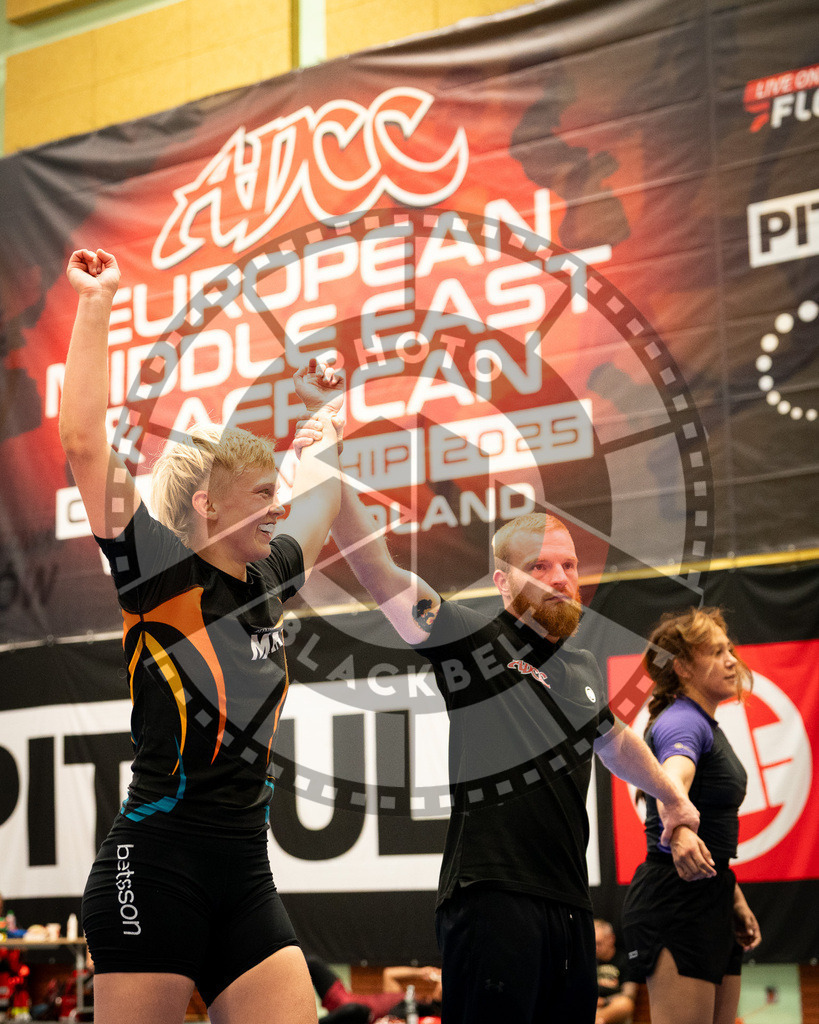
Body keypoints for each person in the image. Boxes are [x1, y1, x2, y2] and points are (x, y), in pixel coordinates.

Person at [291, 419, 706, 1024]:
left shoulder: (581, 668)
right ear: (502, 581)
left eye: (568, 566)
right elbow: (381, 575)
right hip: (491, 897)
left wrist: (671, 800)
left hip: (568, 906)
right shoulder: (469, 637)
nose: (562, 580)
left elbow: (615, 744)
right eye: (541, 567)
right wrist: (328, 477)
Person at [59, 248, 343, 1024]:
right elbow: (84, 442)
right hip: (152, 872)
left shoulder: (267, 578)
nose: (278, 507)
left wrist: (325, 429)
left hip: (245, 874)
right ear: (209, 508)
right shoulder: (159, 572)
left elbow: (317, 505)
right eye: (261, 494)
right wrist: (97, 302)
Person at [622, 607, 761, 1024]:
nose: (732, 660)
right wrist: (679, 828)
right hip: (674, 900)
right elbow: (672, 780)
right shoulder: (682, 722)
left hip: (711, 894)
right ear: (682, 667)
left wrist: (732, 897)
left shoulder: (704, 723)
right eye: (717, 652)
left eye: (730, 649)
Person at [305, 956, 441, 1022]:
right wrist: (422, 972)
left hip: (357, 1016)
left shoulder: (420, 1013)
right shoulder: (403, 995)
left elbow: (440, 995)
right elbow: (389, 973)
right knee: (312, 963)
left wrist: (442, 979)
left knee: (358, 1010)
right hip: (344, 998)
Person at [594, 919, 637, 1024]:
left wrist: (604, 1002)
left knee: (625, 1004)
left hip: (611, 1006)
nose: (595, 948)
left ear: (611, 939)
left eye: (599, 943)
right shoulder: (587, 961)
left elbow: (629, 995)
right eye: (592, 944)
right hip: (590, 1005)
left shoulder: (625, 960)